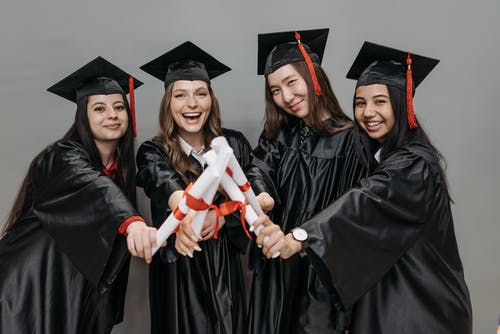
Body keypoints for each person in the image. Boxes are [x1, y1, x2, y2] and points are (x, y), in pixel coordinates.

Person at [257, 41, 473, 333]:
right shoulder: (385, 154)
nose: (368, 112)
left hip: (421, 307)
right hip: (389, 304)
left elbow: (366, 200)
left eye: (380, 101)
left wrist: (299, 236)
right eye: (360, 103)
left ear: (401, 103)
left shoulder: (414, 164)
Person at [0, 57, 158, 334]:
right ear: (83, 116)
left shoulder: (119, 174)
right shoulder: (62, 156)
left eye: (119, 107)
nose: (112, 114)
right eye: (99, 108)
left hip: (69, 292)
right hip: (28, 285)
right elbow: (91, 185)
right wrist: (132, 221)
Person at [245, 28, 366, 334]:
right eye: (275, 90)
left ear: (314, 77)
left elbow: (353, 215)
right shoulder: (279, 136)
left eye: (291, 82)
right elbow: (258, 168)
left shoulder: (351, 140)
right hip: (276, 272)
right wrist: (261, 196)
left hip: (320, 281)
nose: (286, 97)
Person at [136, 41, 252, 334]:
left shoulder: (233, 144)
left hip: (224, 268)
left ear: (211, 100)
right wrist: (187, 213)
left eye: (201, 94)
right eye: (181, 95)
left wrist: (221, 218)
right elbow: (164, 183)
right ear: (168, 103)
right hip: (178, 273)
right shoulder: (154, 151)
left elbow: (251, 196)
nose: (192, 104)